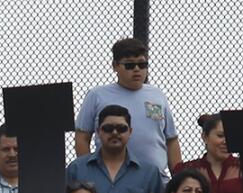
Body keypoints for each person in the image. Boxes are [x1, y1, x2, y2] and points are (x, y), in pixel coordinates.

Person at [75, 38, 180, 175]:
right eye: (130, 65)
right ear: (115, 66)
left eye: (142, 64)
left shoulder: (157, 95)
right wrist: (89, 173)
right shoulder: (97, 95)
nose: (137, 69)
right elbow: (82, 136)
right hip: (111, 179)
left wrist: (178, 178)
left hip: (156, 179)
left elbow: (171, 140)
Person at [67, 104, 166, 193]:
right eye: (108, 128)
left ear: (130, 131)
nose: (114, 133)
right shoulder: (77, 169)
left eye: (121, 128)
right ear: (98, 131)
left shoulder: (149, 173)